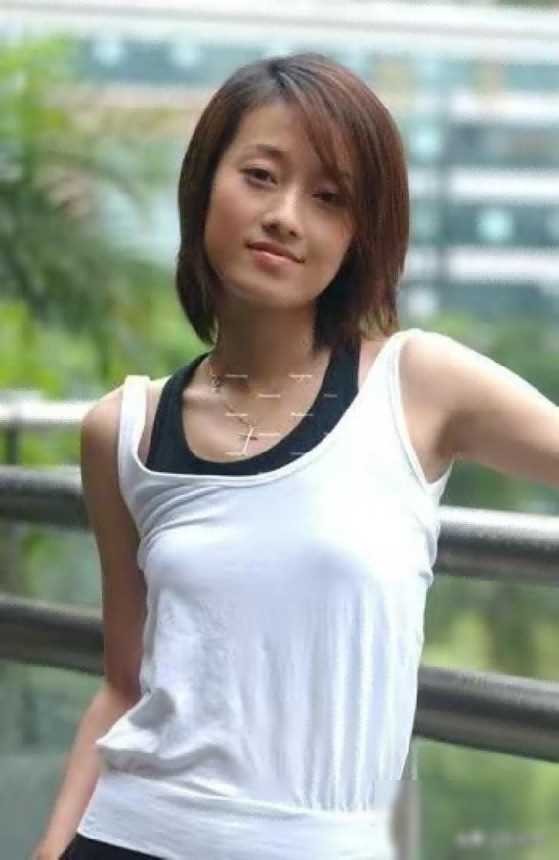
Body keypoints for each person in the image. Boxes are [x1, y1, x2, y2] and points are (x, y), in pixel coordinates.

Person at [32, 52, 559, 860]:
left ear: (359, 234)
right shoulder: (124, 430)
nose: (283, 216)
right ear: (204, 184)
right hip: (128, 834)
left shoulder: (417, 384)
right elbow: (123, 686)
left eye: (328, 198)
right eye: (260, 176)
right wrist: (49, 848)